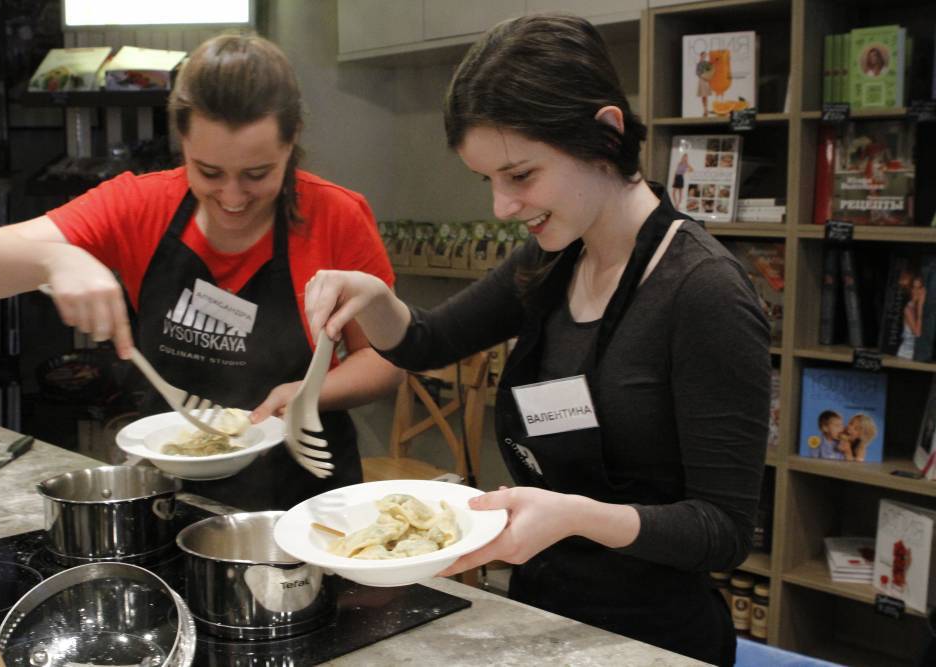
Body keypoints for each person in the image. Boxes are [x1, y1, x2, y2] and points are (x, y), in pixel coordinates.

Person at [303, 14, 769, 666]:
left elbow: (722, 530)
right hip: (538, 618)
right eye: (488, 180)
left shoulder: (704, 294)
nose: (501, 206)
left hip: (655, 642)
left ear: (604, 133)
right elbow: (428, 340)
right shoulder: (550, 259)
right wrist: (374, 299)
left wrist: (578, 514)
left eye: (520, 175)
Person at [0, 33, 402, 510]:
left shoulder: (336, 215)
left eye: (257, 174)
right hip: (167, 493)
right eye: (208, 172)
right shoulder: (138, 205)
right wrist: (55, 258)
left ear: (291, 142)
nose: (232, 197)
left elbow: (384, 362)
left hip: (309, 499)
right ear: (182, 142)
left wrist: (306, 394)